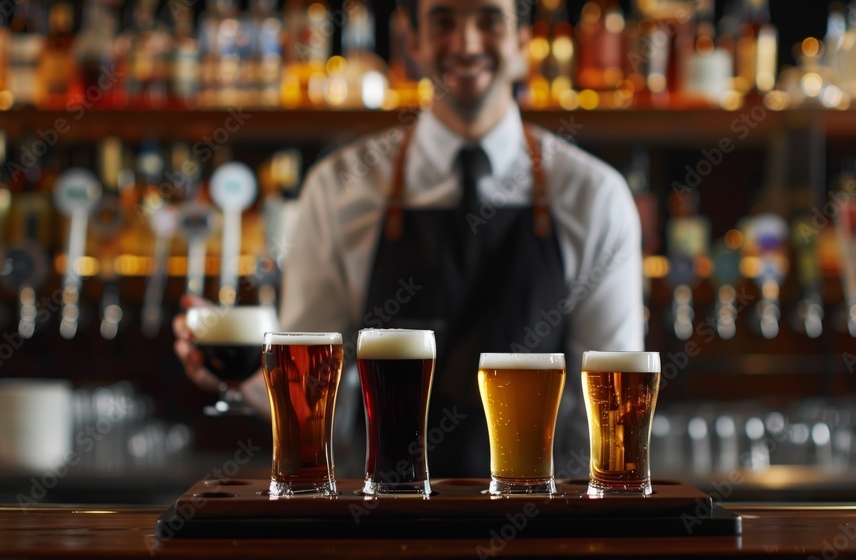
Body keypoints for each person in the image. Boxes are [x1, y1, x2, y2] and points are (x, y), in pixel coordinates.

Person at [174, 0, 644, 478]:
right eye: (443, 21)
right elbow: (317, 404)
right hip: (384, 528)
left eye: (489, 20)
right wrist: (252, 381)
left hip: (539, 526)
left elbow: (611, 413)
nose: (465, 43)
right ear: (412, 40)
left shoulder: (594, 196)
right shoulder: (339, 187)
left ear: (523, 42)